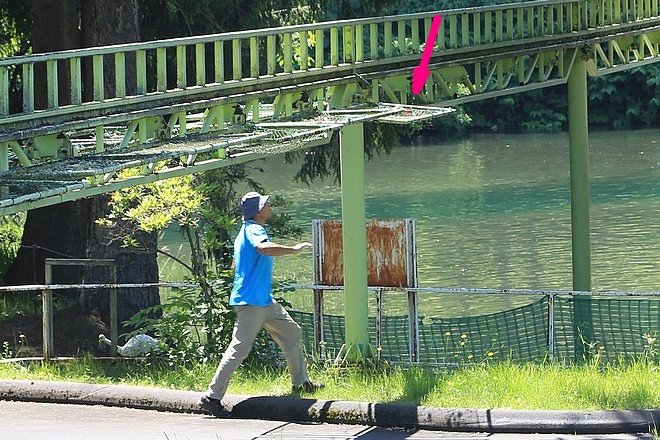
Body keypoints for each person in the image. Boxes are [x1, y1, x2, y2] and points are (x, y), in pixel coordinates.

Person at [198, 191, 323, 417]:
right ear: (257, 211)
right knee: (239, 349)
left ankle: (301, 383)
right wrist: (293, 249)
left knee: (292, 332)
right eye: (266, 204)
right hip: (252, 303)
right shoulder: (255, 229)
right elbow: (263, 248)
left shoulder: (243, 232)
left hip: (264, 301)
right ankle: (211, 397)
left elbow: (236, 264)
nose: (270, 206)